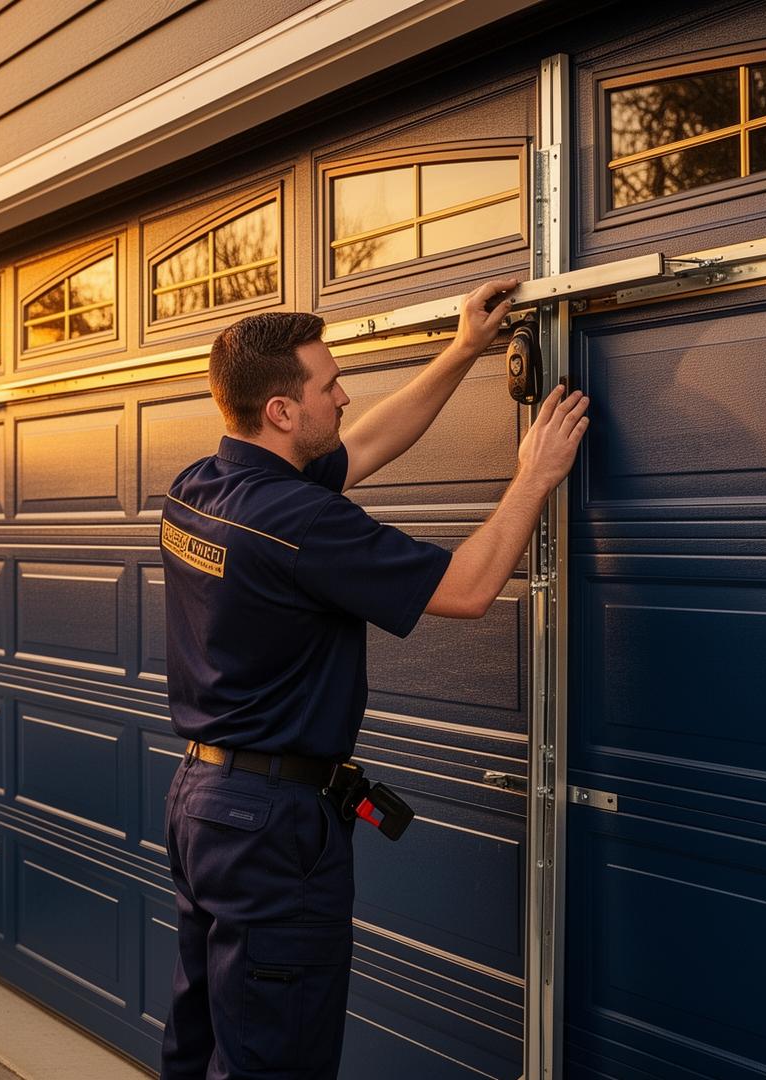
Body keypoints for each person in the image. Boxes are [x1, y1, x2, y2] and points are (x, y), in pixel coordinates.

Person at [157, 277, 593, 1080]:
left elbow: (366, 447)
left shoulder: (203, 488)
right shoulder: (297, 521)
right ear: (281, 411)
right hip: (271, 826)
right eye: (328, 386)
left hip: (203, 806)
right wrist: (533, 476)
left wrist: (463, 348)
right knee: (273, 1057)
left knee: (203, 1037)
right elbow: (464, 589)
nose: (346, 396)